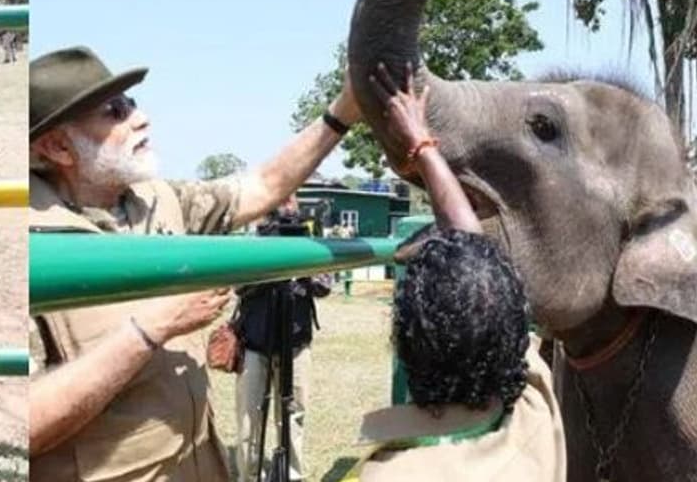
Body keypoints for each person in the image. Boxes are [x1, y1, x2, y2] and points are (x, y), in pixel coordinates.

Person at [27, 45, 361, 480]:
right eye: (114, 111)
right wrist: (150, 329)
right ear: (57, 146)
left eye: (131, 102)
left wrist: (342, 112)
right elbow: (28, 424)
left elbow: (261, 186)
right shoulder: (32, 240)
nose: (140, 118)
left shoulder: (161, 200)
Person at [340, 63, 565, 481]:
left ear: (405, 344)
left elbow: (471, 243)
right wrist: (424, 145)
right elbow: (471, 242)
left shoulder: (388, 475)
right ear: (515, 335)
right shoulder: (536, 411)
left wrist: (420, 146)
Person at [232, 197, 331, 482]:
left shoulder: (309, 243)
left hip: (296, 344)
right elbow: (237, 284)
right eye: (283, 197)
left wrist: (304, 269)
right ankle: (250, 476)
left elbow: (325, 286)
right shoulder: (254, 243)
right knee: (249, 418)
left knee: (293, 415)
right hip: (255, 343)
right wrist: (269, 267)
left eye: (293, 197)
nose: (289, 204)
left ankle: (292, 476)